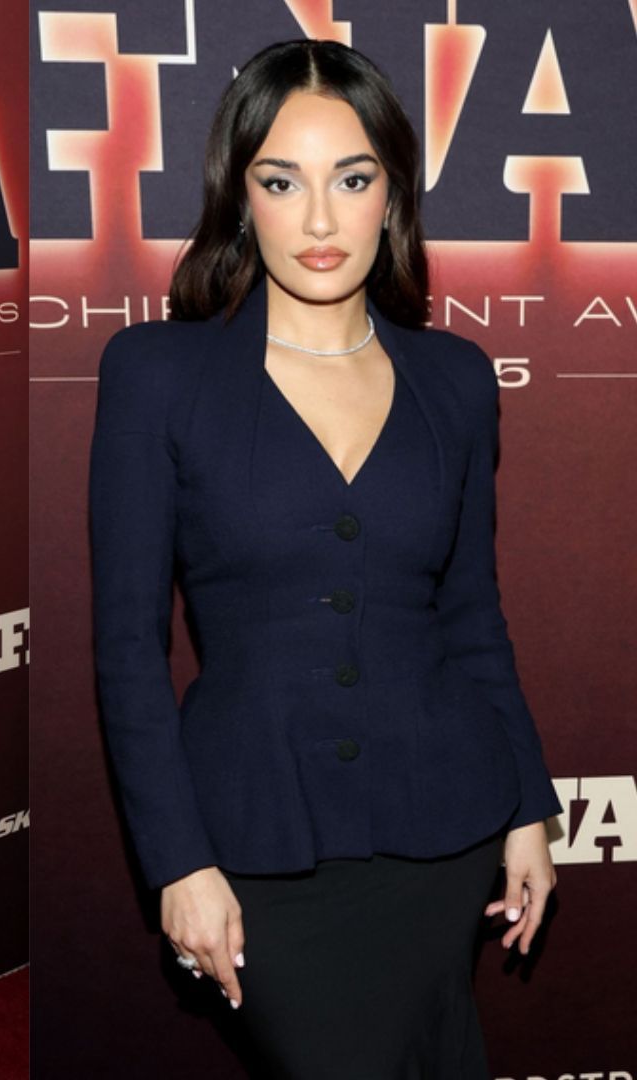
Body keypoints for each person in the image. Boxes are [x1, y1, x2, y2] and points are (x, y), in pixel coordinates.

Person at [89, 39, 560, 1077]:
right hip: (257, 842)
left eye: (351, 179)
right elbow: (127, 649)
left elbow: (473, 615)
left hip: (445, 826)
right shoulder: (158, 374)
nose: (317, 219)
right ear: (239, 195)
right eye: (280, 180)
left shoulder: (455, 380)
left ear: (391, 193)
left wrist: (528, 807)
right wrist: (178, 862)